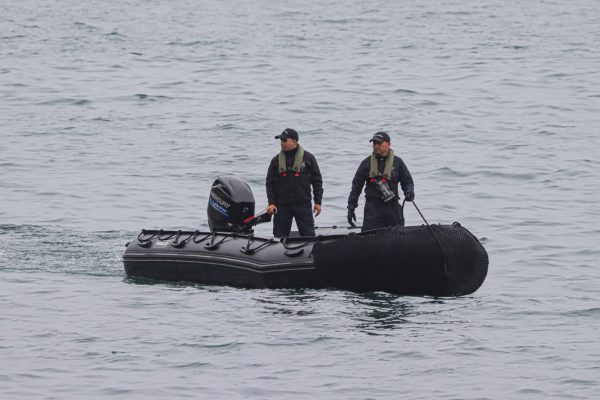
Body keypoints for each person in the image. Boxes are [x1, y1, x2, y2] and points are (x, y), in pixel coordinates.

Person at [347, 131, 414, 232]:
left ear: (388, 144)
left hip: (393, 208)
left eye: (379, 143)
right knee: (369, 239)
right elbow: (356, 188)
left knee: (399, 237)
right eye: (374, 143)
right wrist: (351, 207)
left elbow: (407, 181)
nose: (376, 146)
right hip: (373, 209)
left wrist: (409, 192)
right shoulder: (366, 164)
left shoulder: (398, 162)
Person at [266, 128, 323, 237]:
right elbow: (270, 184)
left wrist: (318, 202)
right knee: (279, 236)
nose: (282, 143)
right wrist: (271, 203)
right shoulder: (275, 161)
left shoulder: (308, 158)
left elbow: (317, 180)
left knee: (308, 236)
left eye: (284, 140)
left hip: (303, 204)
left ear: (295, 141)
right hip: (282, 206)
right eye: (281, 140)